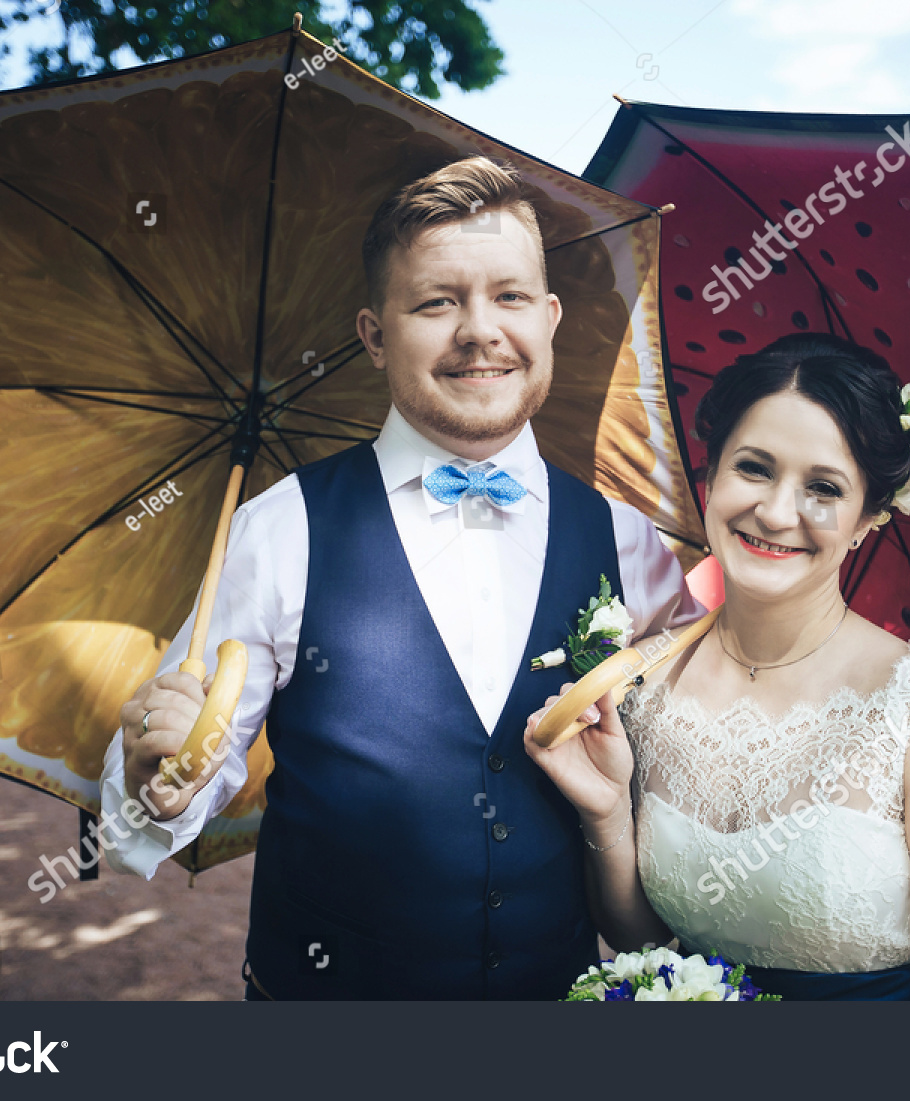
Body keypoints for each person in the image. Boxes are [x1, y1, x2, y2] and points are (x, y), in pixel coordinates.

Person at [100, 156, 706, 1000]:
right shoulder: (281, 526)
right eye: (436, 302)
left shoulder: (628, 542)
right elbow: (181, 787)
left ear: (551, 316)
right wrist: (150, 784)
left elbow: (688, 774)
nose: (480, 330)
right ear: (375, 334)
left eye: (510, 296)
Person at [525, 333, 910, 1000]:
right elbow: (644, 938)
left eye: (823, 486)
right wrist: (607, 814)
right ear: (710, 476)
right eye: (753, 468)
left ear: (870, 514)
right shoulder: (646, 686)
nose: (777, 511)